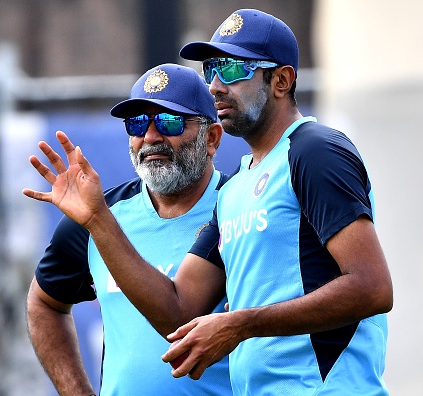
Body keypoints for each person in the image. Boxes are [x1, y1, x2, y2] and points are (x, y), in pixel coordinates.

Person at [23, 8, 394, 395]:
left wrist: (240, 324)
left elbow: (372, 287)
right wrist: (99, 220)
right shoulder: (236, 189)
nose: (216, 85)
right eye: (212, 69)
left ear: (281, 80)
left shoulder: (315, 150)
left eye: (233, 69)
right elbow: (178, 313)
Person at [25, 63, 233, 396]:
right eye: (137, 123)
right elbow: (44, 303)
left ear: (211, 138)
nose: (150, 137)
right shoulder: (99, 213)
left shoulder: (240, 207)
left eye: (169, 121)